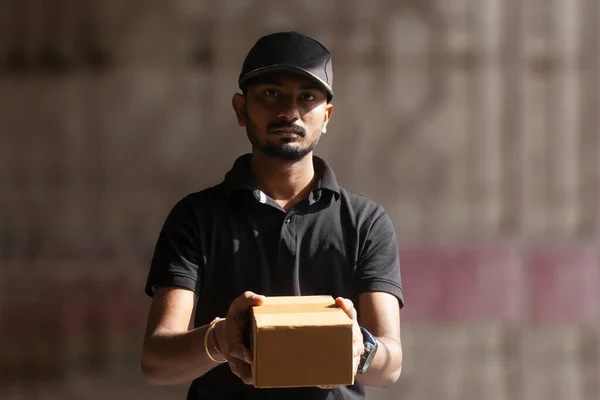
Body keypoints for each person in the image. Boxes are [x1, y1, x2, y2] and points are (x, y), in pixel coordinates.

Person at [140, 31, 404, 400]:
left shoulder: (365, 221)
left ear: (326, 116)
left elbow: (391, 366)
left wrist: (361, 349)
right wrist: (218, 341)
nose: (288, 111)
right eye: (270, 94)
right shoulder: (196, 217)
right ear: (240, 109)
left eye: (306, 97)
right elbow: (156, 360)